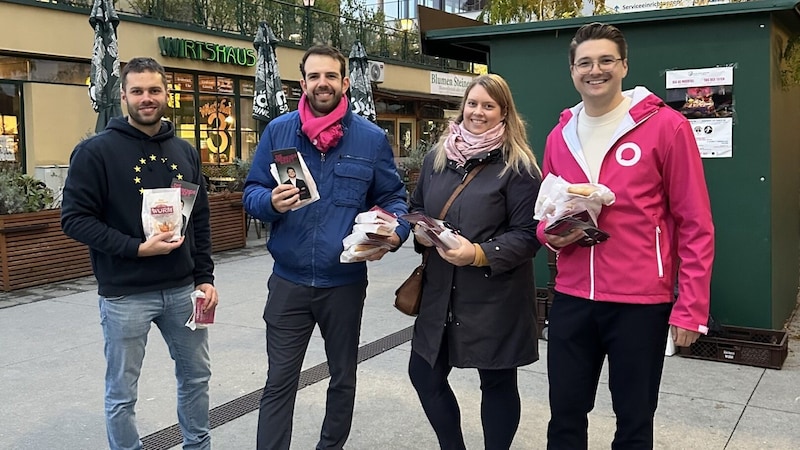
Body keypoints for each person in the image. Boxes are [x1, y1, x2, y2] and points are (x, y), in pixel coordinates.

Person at [538, 23, 714, 449]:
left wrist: (691, 309)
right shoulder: (559, 136)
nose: (594, 70)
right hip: (574, 297)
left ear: (623, 66)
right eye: (584, 62)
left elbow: (695, 222)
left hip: (640, 303)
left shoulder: (666, 127)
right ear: (572, 70)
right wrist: (551, 235)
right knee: (564, 415)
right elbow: (545, 212)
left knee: (634, 420)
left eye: (605, 61)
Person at [243, 45, 410, 450]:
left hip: (344, 284)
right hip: (289, 282)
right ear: (302, 83)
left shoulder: (370, 139)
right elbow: (250, 192)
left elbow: (395, 199)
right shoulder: (278, 132)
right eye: (314, 77)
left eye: (331, 76)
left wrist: (395, 233)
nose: (323, 84)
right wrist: (269, 203)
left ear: (345, 83)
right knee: (279, 382)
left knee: (342, 378)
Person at [61, 57, 218, 450]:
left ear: (167, 94)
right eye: (137, 91)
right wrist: (135, 248)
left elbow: (198, 216)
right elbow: (75, 220)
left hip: (183, 291)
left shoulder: (184, 150)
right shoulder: (95, 152)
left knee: (196, 377)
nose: (146, 98)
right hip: (124, 294)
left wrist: (205, 278)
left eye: (154, 90)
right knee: (122, 392)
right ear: (124, 96)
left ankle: (198, 445)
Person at [408, 74, 542, 450]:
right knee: (424, 373)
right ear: (462, 106)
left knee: (496, 382)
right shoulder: (438, 157)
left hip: (495, 297)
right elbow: (417, 207)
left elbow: (530, 234)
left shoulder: (519, 166)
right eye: (473, 103)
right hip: (440, 293)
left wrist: (478, 253)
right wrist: (421, 231)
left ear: (503, 113)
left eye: (488, 106)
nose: (478, 112)